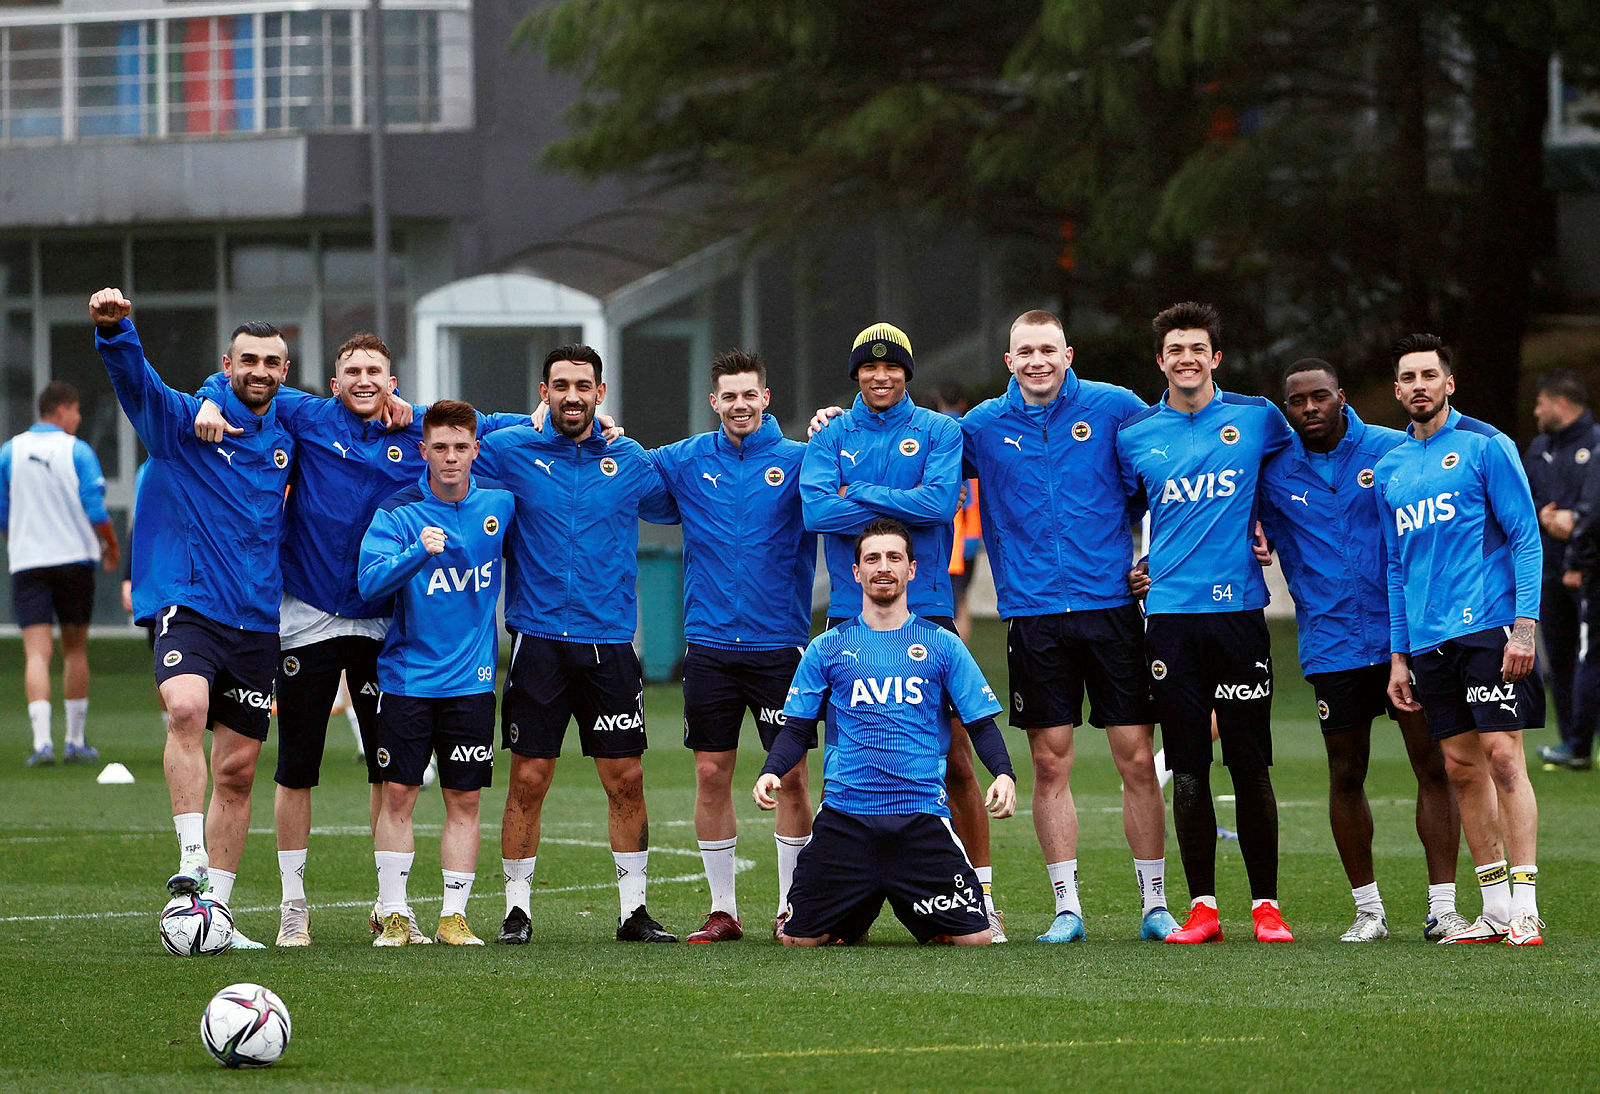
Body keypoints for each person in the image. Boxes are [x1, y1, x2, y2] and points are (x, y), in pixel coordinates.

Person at [193, 333, 526, 947]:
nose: (364, 380)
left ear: (392, 381)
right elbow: (248, 387)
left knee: (387, 771)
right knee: (296, 768)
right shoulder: (309, 415)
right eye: (353, 371)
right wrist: (209, 398)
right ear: (335, 381)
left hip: (380, 622)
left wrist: (551, 419)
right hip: (308, 614)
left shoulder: (417, 428)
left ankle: (387, 908)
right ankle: (294, 905)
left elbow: (487, 426)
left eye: (375, 371)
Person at [960, 310, 1175, 942]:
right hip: (1033, 616)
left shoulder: (1116, 408)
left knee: (1137, 759)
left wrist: (1154, 561)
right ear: (1009, 361)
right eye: (1025, 351)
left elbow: (1174, 478)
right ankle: (1067, 909)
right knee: (1050, 764)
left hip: (1111, 609)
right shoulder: (982, 426)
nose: (1037, 361)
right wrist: (835, 424)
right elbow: (908, 448)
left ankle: (1155, 904)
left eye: (1048, 350)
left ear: (1068, 354)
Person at [91, 286, 295, 949]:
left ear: (284, 370)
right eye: (247, 360)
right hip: (191, 602)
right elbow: (137, 385)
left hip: (258, 619)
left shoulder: (291, 432)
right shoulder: (183, 422)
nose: (259, 371)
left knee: (238, 771)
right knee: (184, 708)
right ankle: (190, 858)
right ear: (226, 364)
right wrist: (117, 333)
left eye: (271, 362)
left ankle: (217, 916)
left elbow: (359, 420)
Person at [801, 324, 1003, 939]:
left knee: (956, 758)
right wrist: (901, 501)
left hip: (929, 607)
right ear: (857, 374)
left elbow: (940, 505)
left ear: (907, 374)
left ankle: (981, 894)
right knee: (845, 757)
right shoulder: (831, 432)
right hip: (849, 614)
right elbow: (816, 509)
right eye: (869, 367)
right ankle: (845, 896)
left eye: (892, 367)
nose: (880, 376)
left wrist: (858, 492)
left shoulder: (940, 431)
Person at [474, 344, 681, 945]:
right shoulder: (509, 450)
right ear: (544, 393)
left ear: (600, 392)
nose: (572, 396)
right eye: (560, 386)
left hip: (608, 644)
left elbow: (685, 499)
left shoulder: (629, 459)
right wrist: (514, 422)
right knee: (529, 778)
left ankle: (633, 912)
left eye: (583, 386)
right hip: (537, 641)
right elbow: (448, 440)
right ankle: (516, 912)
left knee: (626, 778)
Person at [1256, 358, 1466, 941]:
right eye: (1297, 401)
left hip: (1407, 637)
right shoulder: (1273, 470)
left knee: (1433, 765)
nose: (1310, 408)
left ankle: (1443, 906)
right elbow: (1229, 523)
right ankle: (1368, 910)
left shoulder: (1391, 450)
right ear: (1286, 409)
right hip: (1332, 642)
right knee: (1346, 771)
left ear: (1341, 396)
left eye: (1319, 397)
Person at [1115, 301, 1296, 944]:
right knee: (1189, 768)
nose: (1186, 359)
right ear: (1160, 361)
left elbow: (1294, 473)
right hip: (1168, 618)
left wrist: (1266, 523)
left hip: (1238, 615)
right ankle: (1204, 909)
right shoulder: (1135, 435)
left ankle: (1267, 908)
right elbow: (1116, 510)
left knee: (1249, 766)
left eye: (1197, 349)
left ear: (1215, 357)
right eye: (1175, 350)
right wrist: (1130, 568)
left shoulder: (1258, 417)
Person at [753, 517, 1016, 946]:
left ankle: (886, 899)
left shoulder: (942, 644)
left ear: (911, 569)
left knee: (975, 939)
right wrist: (771, 770)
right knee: (799, 941)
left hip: (920, 818)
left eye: (894, 558)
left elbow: (980, 722)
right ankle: (859, 905)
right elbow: (797, 728)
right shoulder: (827, 646)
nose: (883, 567)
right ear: (856, 572)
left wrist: (1004, 773)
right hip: (846, 818)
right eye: (873, 559)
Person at [1377, 333, 1545, 946]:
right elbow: (1395, 566)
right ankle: (1494, 910)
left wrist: (1524, 628)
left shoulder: (1485, 445)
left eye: (1429, 375)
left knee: (1502, 757)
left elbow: (1525, 537)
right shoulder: (1390, 467)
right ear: (1398, 391)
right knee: (1460, 768)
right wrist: (1399, 654)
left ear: (1449, 384)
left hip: (1490, 628)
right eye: (1408, 378)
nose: (1419, 386)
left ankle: (1526, 908)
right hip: (1428, 640)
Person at [648, 350, 816, 942]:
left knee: (792, 776)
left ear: (765, 398)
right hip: (711, 646)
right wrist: (606, 433)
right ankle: (723, 910)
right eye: (729, 396)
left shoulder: (801, 460)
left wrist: (836, 421)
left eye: (750, 395)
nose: (739, 405)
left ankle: (793, 906)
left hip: (780, 647)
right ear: (713, 401)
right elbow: (625, 471)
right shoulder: (686, 459)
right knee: (710, 772)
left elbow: (853, 478)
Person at [358, 399, 515, 947]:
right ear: (423, 450)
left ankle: (453, 917)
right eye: (441, 447)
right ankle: (395, 915)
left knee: (465, 801)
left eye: (461, 447)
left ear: (476, 450)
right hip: (408, 680)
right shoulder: (398, 513)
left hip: (473, 683)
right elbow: (368, 584)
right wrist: (416, 555)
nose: (451, 457)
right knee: (399, 795)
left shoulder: (500, 503)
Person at [1, 380, 119, 766]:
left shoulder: (10, 451)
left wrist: (19, 539)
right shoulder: (77, 450)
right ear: (62, 409)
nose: (79, 418)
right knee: (74, 649)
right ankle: (74, 740)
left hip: (28, 562)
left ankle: (41, 744)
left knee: (36, 653)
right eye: (77, 410)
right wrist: (111, 545)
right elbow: (96, 509)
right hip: (73, 559)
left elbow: (2, 511)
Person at [1522, 370, 1600, 769]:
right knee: (1560, 658)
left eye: (1540, 404)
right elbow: (1523, 498)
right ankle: (1572, 739)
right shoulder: (1538, 449)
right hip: (1549, 570)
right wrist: (1545, 515)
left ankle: (1584, 740)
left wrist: (1576, 520)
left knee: (1592, 655)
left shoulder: (1596, 443)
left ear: (1561, 403)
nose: (1536, 412)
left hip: (1591, 568)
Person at [932, 380, 982, 642]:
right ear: (963, 403)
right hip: (971, 538)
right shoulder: (973, 433)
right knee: (961, 601)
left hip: (950, 538)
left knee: (946, 605)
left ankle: (953, 659)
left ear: (938, 402)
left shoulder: (937, 433)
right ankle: (961, 657)